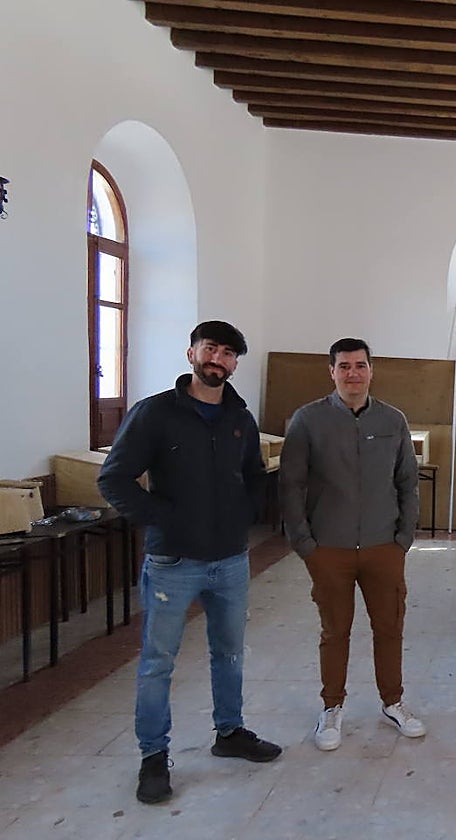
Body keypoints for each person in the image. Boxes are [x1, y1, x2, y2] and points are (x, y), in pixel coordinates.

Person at [98, 320, 281, 805]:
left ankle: (230, 732)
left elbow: (254, 473)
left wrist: (246, 513)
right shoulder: (155, 413)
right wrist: (162, 519)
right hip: (173, 560)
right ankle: (153, 757)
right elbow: (113, 478)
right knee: (158, 662)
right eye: (210, 348)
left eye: (228, 353)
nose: (218, 359)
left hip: (230, 559)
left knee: (230, 652)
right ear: (192, 353)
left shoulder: (240, 417)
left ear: (235, 363)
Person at [279, 337, 425, 752]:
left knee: (389, 627)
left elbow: (407, 481)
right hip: (329, 549)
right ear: (332, 372)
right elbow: (291, 485)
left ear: (371, 370)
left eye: (360, 365)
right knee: (335, 631)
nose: (353, 373)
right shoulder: (308, 420)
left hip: (384, 546)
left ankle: (393, 701)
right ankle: (332, 707)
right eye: (344, 366)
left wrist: (404, 536)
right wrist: (304, 542)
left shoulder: (392, 420)